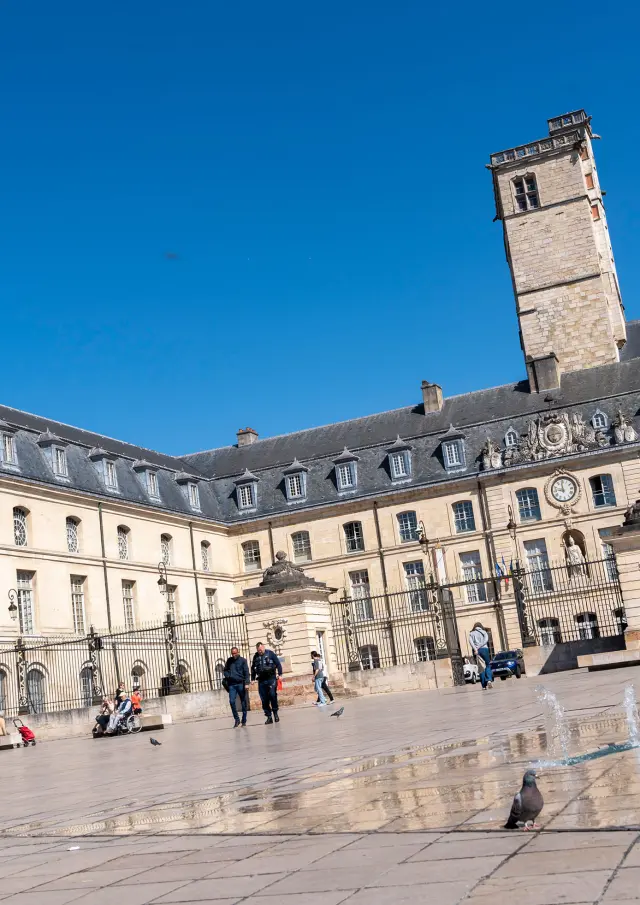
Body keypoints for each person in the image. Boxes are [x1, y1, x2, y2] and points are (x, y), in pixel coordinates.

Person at [251, 642, 283, 724]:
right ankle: (269, 716)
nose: (260, 651)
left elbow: (278, 664)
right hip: (261, 680)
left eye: (261, 650)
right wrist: (252, 678)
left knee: (272, 695)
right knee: (264, 699)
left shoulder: (270, 653)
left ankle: (275, 714)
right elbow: (253, 668)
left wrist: (280, 674)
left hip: (271, 678)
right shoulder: (256, 656)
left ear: (263, 647)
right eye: (258, 650)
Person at [224, 647, 250, 728]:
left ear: (238, 652)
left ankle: (244, 719)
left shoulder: (243, 661)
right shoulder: (229, 661)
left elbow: (246, 672)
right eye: (232, 653)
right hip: (232, 684)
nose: (234, 655)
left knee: (243, 701)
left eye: (235, 653)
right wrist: (228, 676)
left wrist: (246, 683)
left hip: (241, 684)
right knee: (231, 701)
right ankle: (237, 719)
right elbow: (225, 670)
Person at [469, 622, 493, 690]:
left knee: (481, 668)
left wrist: (475, 648)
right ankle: (489, 680)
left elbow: (471, 642)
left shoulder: (471, 633)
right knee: (487, 665)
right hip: (485, 649)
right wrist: (480, 645)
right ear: (481, 626)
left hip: (478, 651)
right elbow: (486, 640)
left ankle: (483, 686)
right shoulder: (484, 632)